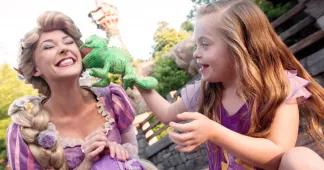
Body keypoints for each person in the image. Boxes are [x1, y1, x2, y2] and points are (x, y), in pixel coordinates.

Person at [137, 0, 324, 169]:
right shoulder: (207, 90)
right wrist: (137, 80)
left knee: (300, 158)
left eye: (204, 44)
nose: (195, 53)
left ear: (239, 47)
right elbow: (167, 114)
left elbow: (277, 154)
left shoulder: (280, 85)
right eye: (196, 45)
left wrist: (215, 132)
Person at [6, 11, 144, 170]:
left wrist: (120, 155)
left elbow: (134, 154)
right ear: (35, 69)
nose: (64, 49)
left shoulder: (113, 98)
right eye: (49, 46)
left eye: (68, 42)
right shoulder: (24, 130)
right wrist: (86, 164)